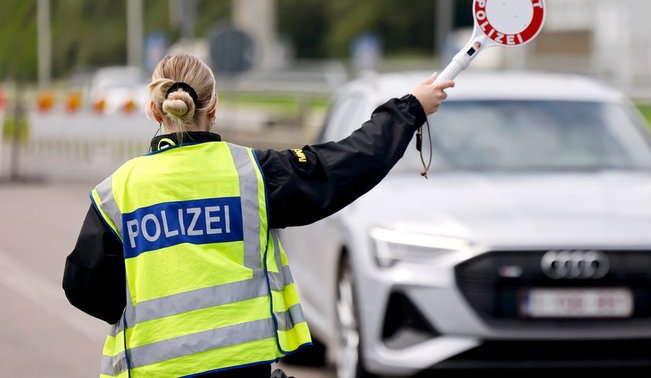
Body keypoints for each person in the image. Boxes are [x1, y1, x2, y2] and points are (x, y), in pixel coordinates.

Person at [62, 53, 454, 378]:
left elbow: (83, 287)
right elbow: (346, 165)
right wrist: (411, 109)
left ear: (154, 109)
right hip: (243, 368)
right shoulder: (254, 173)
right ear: (212, 107)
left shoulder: (118, 190)